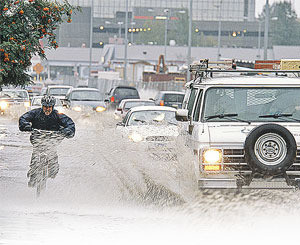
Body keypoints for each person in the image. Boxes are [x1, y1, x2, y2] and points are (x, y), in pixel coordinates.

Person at [19, 95, 75, 187]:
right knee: (36, 155)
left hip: (52, 141)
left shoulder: (58, 115)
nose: (47, 109)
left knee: (53, 169)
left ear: (52, 107)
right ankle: (33, 173)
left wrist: (66, 131)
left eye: (49, 107)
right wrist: (26, 125)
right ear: (42, 106)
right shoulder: (35, 113)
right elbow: (23, 118)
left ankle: (51, 171)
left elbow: (70, 124)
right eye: (45, 106)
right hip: (37, 140)